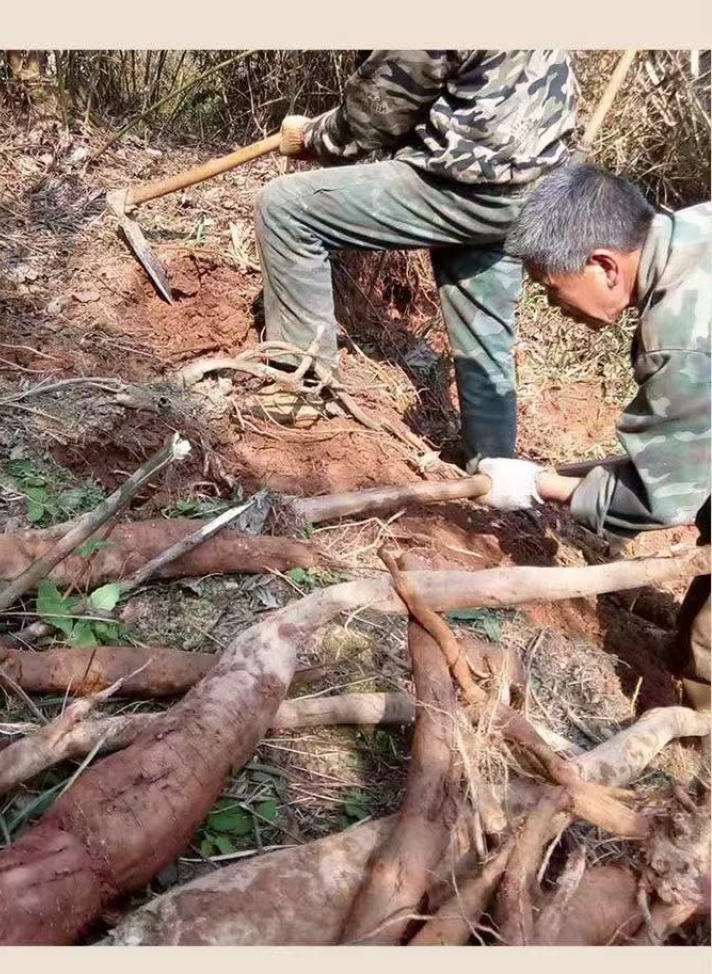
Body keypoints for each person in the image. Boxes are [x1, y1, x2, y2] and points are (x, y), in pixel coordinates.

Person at [254, 50, 576, 466]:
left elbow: (375, 115)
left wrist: (313, 137)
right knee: (484, 330)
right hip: (533, 192)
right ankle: (494, 466)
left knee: (285, 207)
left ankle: (302, 389)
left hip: (468, 184)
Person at [483, 162, 710, 709]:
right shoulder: (692, 229)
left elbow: (659, 499)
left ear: (604, 266)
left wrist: (536, 486)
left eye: (552, 288)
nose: (554, 306)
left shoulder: (682, 333)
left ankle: (695, 770)